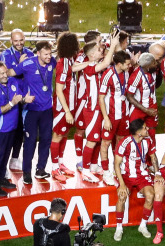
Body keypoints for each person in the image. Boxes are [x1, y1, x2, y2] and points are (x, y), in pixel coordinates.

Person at [75, 34, 119, 183]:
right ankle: (86, 170)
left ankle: (93, 165)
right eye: (99, 50)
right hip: (92, 109)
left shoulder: (95, 64)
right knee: (91, 141)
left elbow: (108, 60)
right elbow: (106, 62)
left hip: (99, 108)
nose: (102, 51)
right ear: (92, 55)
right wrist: (113, 45)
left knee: (98, 140)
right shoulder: (89, 67)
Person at [13, 41, 58, 185]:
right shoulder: (27, 64)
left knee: (46, 140)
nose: (49, 57)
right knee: (30, 141)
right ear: (38, 53)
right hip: (31, 109)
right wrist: (21, 96)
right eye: (45, 54)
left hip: (47, 109)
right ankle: (27, 172)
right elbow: (11, 74)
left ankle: (41, 169)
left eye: (50, 53)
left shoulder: (52, 62)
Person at [113, 119, 164, 242]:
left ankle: (143, 225)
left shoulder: (148, 140)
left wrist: (157, 173)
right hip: (126, 175)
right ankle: (118, 227)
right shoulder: (124, 143)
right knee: (122, 196)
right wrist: (122, 184)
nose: (148, 129)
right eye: (145, 128)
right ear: (138, 132)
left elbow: (153, 157)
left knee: (150, 195)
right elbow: (116, 164)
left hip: (142, 174)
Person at [0, 61, 27, 196]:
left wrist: (25, 99)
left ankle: (1, 179)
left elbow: (19, 98)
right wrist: (12, 103)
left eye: (6, 72)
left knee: (5, 156)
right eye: (1, 73)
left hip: (11, 128)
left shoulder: (12, 82)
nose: (5, 75)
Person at [0, 29, 33, 171]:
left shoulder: (30, 53)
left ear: (24, 38)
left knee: (21, 129)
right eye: (16, 41)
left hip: (26, 96)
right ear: (10, 41)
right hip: (12, 97)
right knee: (10, 129)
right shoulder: (5, 55)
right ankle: (3, 163)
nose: (19, 43)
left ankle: (14, 159)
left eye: (21, 40)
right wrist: (20, 65)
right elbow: (4, 74)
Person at [98, 51, 133, 185]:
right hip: (111, 115)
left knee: (120, 142)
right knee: (105, 143)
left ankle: (117, 168)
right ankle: (106, 171)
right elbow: (101, 97)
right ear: (119, 64)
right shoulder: (108, 75)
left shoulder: (126, 72)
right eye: (127, 64)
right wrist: (106, 118)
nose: (129, 66)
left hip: (124, 114)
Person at [52, 32, 83, 182]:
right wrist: (67, 112)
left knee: (64, 134)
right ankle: (54, 168)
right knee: (57, 135)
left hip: (70, 106)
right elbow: (59, 89)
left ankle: (60, 163)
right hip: (62, 108)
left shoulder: (69, 60)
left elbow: (75, 68)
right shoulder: (63, 63)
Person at [126, 53, 160, 141]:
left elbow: (156, 85)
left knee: (151, 132)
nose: (156, 64)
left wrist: (160, 73)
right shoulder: (136, 76)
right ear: (147, 67)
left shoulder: (154, 71)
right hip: (138, 109)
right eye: (153, 63)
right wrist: (145, 110)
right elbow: (129, 96)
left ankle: (151, 149)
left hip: (152, 105)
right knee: (136, 133)